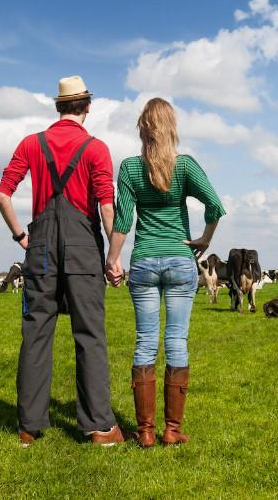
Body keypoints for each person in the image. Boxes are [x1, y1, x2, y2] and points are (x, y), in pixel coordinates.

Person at [0, 75, 126, 448]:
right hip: (83, 249)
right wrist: (114, 258)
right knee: (90, 337)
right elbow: (105, 205)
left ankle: (28, 427)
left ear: (58, 107)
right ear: (86, 107)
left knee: (36, 336)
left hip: (40, 251)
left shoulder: (31, 144)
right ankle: (100, 427)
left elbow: (3, 196)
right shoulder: (96, 148)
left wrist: (22, 235)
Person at [106, 98, 226, 447]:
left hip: (143, 262)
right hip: (178, 261)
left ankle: (144, 432)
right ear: (172, 127)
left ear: (142, 128)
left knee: (145, 342)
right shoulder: (185, 166)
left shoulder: (129, 168)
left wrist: (112, 259)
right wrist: (204, 238)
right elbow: (215, 206)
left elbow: (124, 221)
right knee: (176, 341)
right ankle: (172, 430)